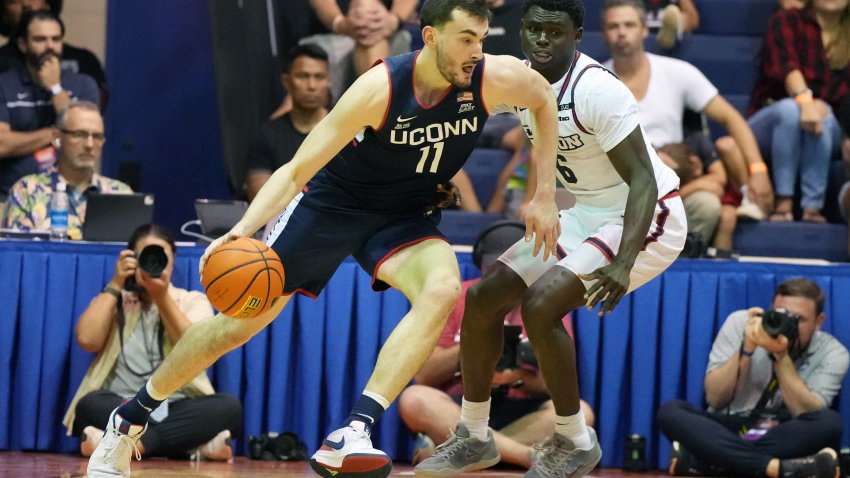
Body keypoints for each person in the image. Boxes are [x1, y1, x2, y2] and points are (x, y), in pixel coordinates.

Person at [85, 1, 562, 477]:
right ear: (431, 37)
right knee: (237, 326)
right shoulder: (379, 88)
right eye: (464, 39)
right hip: (332, 205)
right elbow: (295, 172)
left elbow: (544, 102)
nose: (476, 51)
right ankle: (128, 419)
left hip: (403, 213)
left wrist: (543, 194)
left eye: (480, 38)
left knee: (440, 288)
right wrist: (240, 231)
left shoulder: (492, 76)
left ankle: (354, 430)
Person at [414, 1, 687, 477]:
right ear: (521, 31)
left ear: (576, 35)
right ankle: (474, 437)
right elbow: (458, 112)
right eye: (534, 29)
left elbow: (643, 180)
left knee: (541, 306)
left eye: (554, 32)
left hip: (646, 214)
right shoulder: (517, 79)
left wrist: (622, 263)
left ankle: (575, 441)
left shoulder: (596, 89)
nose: (542, 40)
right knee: (483, 300)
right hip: (587, 211)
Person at [398, 220, 595, 469]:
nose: (505, 274)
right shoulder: (459, 297)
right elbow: (425, 376)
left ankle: (466, 453)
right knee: (415, 399)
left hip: (522, 405)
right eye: (495, 266)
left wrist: (520, 375)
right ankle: (527, 456)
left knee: (582, 414)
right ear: (481, 264)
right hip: (463, 404)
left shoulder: (548, 301)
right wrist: (478, 345)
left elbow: (558, 382)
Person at [63, 223, 243, 462]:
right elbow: (87, 340)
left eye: (161, 257)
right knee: (88, 405)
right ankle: (193, 448)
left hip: (179, 405)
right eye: (144, 256)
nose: (153, 262)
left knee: (228, 408)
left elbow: (198, 351)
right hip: (124, 404)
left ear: (173, 261)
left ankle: (126, 445)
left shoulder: (191, 300)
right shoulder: (115, 299)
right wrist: (116, 284)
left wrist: (161, 297)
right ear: (131, 259)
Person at [601, 0, 772, 248]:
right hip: (619, 188)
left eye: (629, 24)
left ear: (645, 29)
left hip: (673, 182)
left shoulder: (676, 71)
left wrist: (758, 170)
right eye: (613, 26)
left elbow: (730, 117)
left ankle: (680, 259)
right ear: (603, 33)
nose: (622, 32)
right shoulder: (595, 81)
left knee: (707, 204)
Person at [657, 277, 848, 478]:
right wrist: (747, 347)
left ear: (819, 322)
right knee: (671, 412)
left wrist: (781, 357)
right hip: (731, 425)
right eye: (781, 314)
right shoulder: (741, 323)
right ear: (770, 308)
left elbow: (804, 413)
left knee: (830, 423)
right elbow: (715, 398)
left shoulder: (833, 352)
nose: (787, 323)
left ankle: (711, 461)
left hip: (784, 433)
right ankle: (779, 468)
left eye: (798, 319)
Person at [747, 0, 849, 223]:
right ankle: (783, 202)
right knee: (791, 111)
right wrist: (805, 101)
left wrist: (819, 107)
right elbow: (786, 67)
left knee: (825, 115)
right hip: (771, 118)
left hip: (827, 122)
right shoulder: (787, 19)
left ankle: (812, 208)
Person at [0, 9, 99, 221]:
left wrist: (55, 88)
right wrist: (58, 134)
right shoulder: (4, 84)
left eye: (55, 39)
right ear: (23, 45)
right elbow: (2, 144)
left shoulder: (83, 85)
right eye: (40, 39)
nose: (49, 46)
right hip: (8, 197)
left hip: (73, 199)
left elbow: (85, 135)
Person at [3, 101, 130, 238]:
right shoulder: (27, 191)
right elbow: (16, 254)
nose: (89, 144)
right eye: (80, 134)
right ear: (57, 138)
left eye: (97, 136)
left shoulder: (121, 194)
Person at [244, 44, 331, 202]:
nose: (312, 86)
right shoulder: (266, 136)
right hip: (283, 224)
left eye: (319, 77)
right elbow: (260, 197)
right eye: (303, 76)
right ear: (286, 81)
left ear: (328, 81)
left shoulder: (346, 130)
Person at [0, 0, 108, 108]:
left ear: (48, 3)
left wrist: (55, 88)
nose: (26, 4)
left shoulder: (84, 60)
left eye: (55, 39)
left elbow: (90, 114)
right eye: (14, 0)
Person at [655, 141, 725, 246]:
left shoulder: (697, 140)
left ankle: (692, 247)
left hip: (674, 193)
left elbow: (718, 184)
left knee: (708, 203)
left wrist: (689, 188)